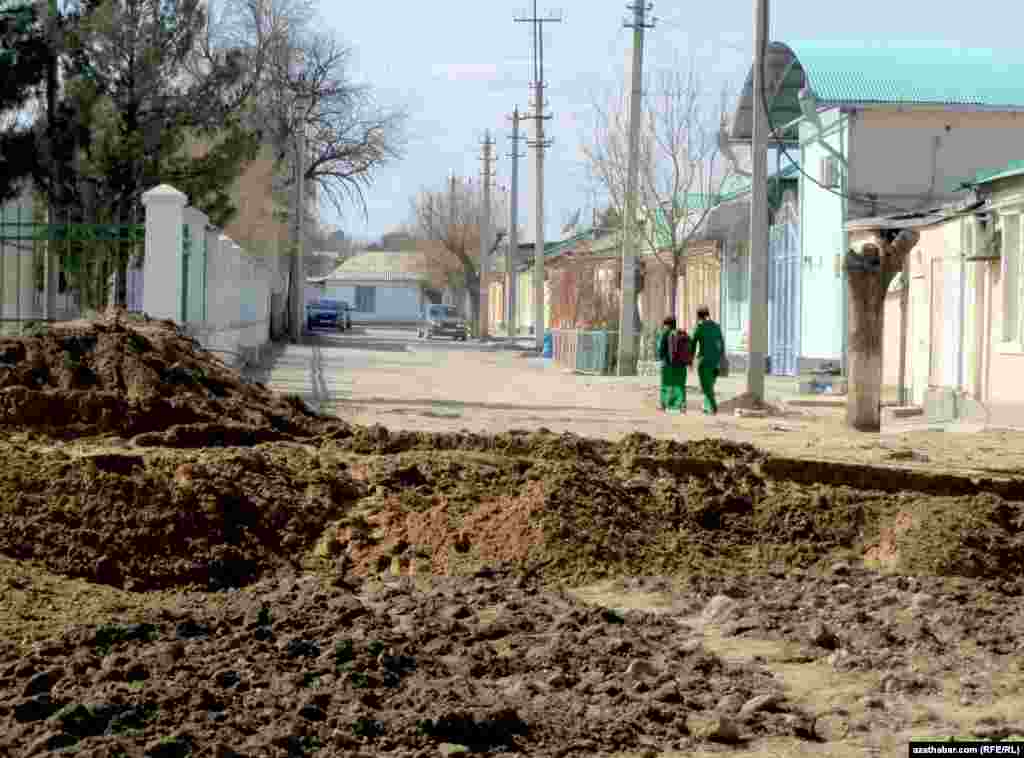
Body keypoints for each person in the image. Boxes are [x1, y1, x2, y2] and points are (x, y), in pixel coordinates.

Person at [691, 305, 724, 415]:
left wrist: (690, 360)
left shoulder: (699, 328)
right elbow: (721, 344)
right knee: (710, 385)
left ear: (698, 316)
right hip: (716, 362)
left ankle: (713, 407)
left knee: (706, 387)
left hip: (704, 362)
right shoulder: (717, 327)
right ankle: (706, 407)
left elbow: (692, 345)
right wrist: (721, 359)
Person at [655, 315, 689, 413]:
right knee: (680, 385)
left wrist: (661, 358)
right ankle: (682, 405)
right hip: (682, 365)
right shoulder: (682, 333)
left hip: (668, 364)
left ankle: (664, 405)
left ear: (667, 325)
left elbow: (661, 350)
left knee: (666, 384)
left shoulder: (666, 334)